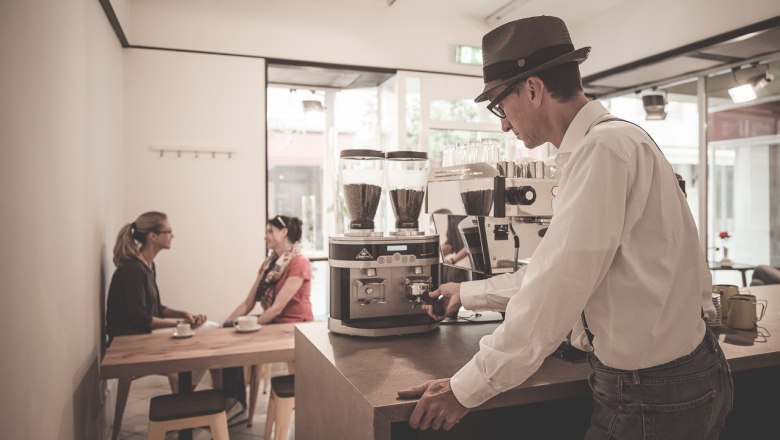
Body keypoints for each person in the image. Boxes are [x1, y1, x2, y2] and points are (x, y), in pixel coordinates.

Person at [397, 16, 733, 438]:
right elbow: (555, 271)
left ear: (534, 89)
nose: (503, 122)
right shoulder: (618, 142)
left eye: (501, 105)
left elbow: (553, 293)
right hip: (686, 372)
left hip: (654, 393)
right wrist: (466, 293)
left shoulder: (602, 152)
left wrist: (464, 389)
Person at [217, 214, 313, 412]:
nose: (265, 236)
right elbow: (247, 303)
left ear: (284, 232)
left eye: (270, 231)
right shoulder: (269, 264)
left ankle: (233, 400)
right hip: (274, 321)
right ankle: (233, 398)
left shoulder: (299, 263)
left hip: (293, 326)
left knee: (236, 337)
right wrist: (226, 324)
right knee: (227, 331)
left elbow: (277, 308)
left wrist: (249, 326)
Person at [106, 211, 207, 346]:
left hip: (140, 342)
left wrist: (185, 315)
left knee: (204, 333)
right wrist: (182, 324)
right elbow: (141, 318)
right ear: (153, 236)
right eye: (169, 232)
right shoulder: (133, 270)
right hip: (126, 347)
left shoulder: (148, 266)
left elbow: (156, 309)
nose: (173, 236)